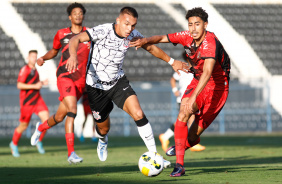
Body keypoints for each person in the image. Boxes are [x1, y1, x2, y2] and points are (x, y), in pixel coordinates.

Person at [66, 7, 189, 167]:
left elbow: (150, 47)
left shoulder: (132, 35)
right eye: (126, 24)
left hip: (118, 82)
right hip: (96, 88)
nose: (130, 28)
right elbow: (75, 39)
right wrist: (73, 56)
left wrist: (172, 62)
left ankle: (154, 155)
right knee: (103, 129)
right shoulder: (103, 30)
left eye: (133, 25)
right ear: (118, 20)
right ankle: (103, 140)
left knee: (138, 113)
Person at [130, 7, 230, 177]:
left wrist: (194, 97)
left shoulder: (210, 43)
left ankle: (183, 144)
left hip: (218, 89)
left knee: (191, 138)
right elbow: (161, 38)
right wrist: (144, 40)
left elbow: (207, 73)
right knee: (184, 111)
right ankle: (180, 166)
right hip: (198, 80)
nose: (193, 28)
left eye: (197, 24)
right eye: (190, 24)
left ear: (205, 25)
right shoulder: (186, 36)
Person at [30, 2, 90, 164]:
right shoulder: (61, 33)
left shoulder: (90, 34)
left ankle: (41, 127)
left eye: (80, 13)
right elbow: (54, 51)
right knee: (72, 110)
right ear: (70, 17)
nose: (78, 15)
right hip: (65, 77)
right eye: (74, 13)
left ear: (83, 16)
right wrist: (43, 57)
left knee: (59, 116)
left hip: (81, 81)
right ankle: (71, 153)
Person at [159, 52, 205, 152]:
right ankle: (192, 142)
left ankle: (165, 136)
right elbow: (173, 79)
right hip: (184, 98)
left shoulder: (197, 69)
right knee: (190, 117)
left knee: (183, 118)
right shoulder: (184, 68)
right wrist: (175, 90)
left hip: (192, 97)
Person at [10, 50, 49, 157]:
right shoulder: (25, 69)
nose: (34, 58)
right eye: (32, 56)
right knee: (23, 125)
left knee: (47, 121)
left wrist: (41, 83)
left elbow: (34, 83)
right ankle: (13, 144)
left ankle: (38, 141)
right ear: (28, 57)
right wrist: (35, 86)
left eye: (35, 56)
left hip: (37, 100)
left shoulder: (35, 70)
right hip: (27, 102)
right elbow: (19, 85)